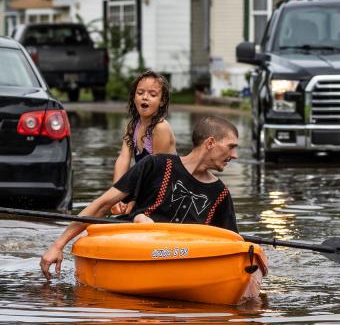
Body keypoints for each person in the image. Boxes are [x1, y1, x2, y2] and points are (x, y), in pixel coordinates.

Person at [41, 115, 241, 278]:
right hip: (137, 248)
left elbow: (235, 245)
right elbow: (103, 204)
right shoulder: (155, 165)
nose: (235, 155)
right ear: (210, 143)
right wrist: (58, 246)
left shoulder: (221, 194)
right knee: (137, 220)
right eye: (231, 147)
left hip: (186, 261)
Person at [110, 71, 177, 215]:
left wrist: (134, 201)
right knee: (106, 204)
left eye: (153, 95)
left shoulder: (160, 128)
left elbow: (157, 173)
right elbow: (123, 159)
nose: (145, 97)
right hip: (145, 187)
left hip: (166, 192)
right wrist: (115, 197)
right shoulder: (133, 125)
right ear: (134, 97)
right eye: (140, 92)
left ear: (162, 101)